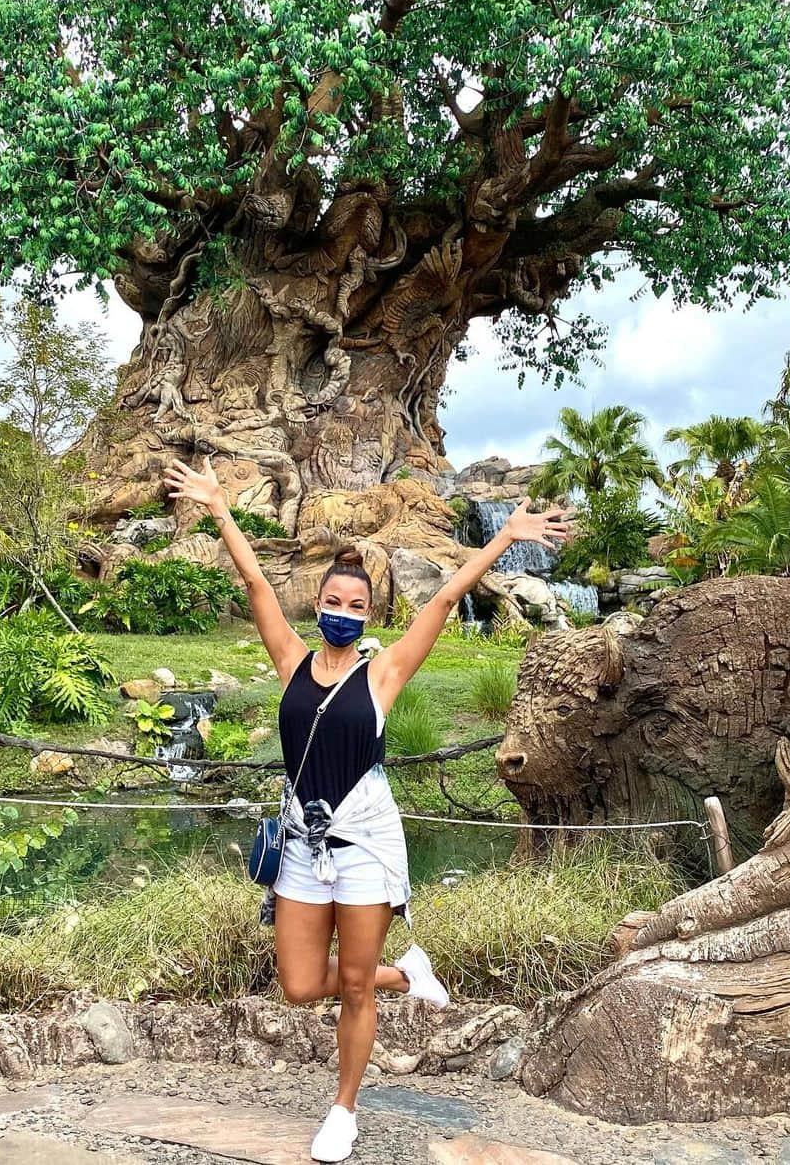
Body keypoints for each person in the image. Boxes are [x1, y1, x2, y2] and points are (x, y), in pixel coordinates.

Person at [163, 456, 568, 1163]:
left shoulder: (381, 673)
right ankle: (406, 973)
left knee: (352, 989)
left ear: (370, 613)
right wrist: (219, 505)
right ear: (317, 604)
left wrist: (504, 540)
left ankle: (344, 1110)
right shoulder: (290, 660)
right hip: (301, 844)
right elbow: (256, 580)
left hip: (364, 844)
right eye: (334, 603)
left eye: (356, 606)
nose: (343, 614)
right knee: (297, 985)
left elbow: (442, 602)